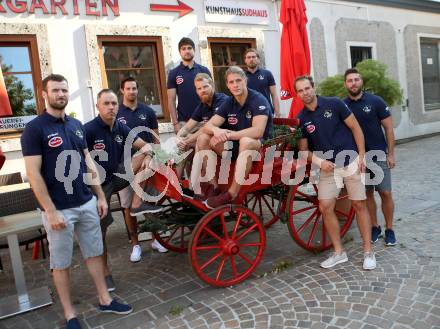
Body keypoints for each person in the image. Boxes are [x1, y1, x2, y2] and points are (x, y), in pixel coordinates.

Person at [21, 74, 132, 329]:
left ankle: (105, 299)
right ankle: (70, 314)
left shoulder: (76, 125)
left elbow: (87, 162)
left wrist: (100, 195)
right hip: (59, 209)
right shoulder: (35, 129)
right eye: (55, 90)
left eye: (64, 90)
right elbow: (33, 174)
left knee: (94, 253)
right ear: (44, 94)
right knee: (61, 263)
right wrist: (49, 210)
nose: (60, 94)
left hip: (85, 202)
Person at [295, 75, 376, 270]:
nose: (305, 93)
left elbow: (356, 128)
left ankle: (368, 252)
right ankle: (339, 252)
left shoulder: (334, 104)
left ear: (313, 87)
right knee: (325, 206)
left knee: (359, 205)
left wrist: (362, 155)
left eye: (307, 88)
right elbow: (303, 150)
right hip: (328, 167)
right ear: (297, 94)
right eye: (300, 90)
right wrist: (319, 161)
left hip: (350, 161)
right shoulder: (301, 118)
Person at [85, 89, 161, 292]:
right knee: (100, 232)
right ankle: (105, 273)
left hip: (118, 175)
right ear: (98, 106)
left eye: (113, 104)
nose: (111, 107)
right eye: (106, 104)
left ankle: (137, 203)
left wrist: (158, 153)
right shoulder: (89, 130)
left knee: (148, 153)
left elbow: (144, 144)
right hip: (98, 185)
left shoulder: (120, 126)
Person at [196, 66, 272, 208]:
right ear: (227, 85)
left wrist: (229, 135)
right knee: (203, 138)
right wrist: (216, 130)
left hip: (258, 147)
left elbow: (258, 131)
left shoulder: (258, 99)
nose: (235, 85)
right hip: (235, 147)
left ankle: (231, 193)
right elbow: (207, 126)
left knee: (246, 141)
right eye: (231, 82)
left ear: (245, 80)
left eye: (238, 80)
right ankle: (214, 187)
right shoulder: (229, 102)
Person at [343, 68, 397, 246]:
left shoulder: (376, 101)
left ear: (362, 82)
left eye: (356, 79)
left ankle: (389, 229)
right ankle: (375, 226)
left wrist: (391, 154)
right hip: (359, 159)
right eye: (350, 80)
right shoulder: (343, 106)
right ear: (345, 84)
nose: (353, 83)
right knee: (367, 194)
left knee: (386, 193)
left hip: (379, 154)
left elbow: (389, 128)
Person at [116, 77, 168, 260]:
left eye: (134, 88)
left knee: (151, 204)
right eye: (128, 88)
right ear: (122, 90)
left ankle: (156, 239)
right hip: (124, 165)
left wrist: (156, 156)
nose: (132, 91)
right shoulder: (116, 112)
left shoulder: (148, 111)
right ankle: (135, 245)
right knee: (128, 207)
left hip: (148, 164)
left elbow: (156, 139)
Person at [167, 37, 212, 134]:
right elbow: (171, 100)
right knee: (186, 149)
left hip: (204, 121)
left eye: (189, 48)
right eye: (183, 49)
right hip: (184, 122)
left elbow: (212, 95)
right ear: (180, 52)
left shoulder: (204, 70)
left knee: (205, 149)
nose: (187, 51)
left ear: (194, 50)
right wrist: (175, 124)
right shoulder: (174, 73)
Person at [244, 48, 281, 118]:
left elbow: (274, 95)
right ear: (245, 60)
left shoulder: (267, 74)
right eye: (248, 57)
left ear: (258, 59)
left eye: (253, 57)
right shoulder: (242, 76)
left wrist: (277, 112)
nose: (251, 59)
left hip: (266, 110)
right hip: (248, 112)